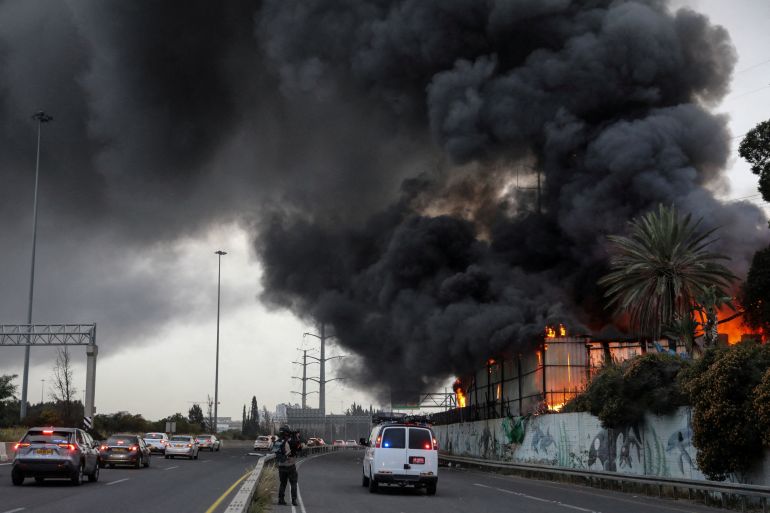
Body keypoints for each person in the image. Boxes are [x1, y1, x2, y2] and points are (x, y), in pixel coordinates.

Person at [275, 425, 301, 506]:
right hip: (290, 465)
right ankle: (294, 500)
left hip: (281, 466)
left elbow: (275, 452)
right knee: (293, 483)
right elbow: (299, 449)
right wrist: (297, 438)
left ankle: (281, 499)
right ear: (287, 432)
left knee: (283, 483)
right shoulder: (291, 441)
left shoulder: (278, 441)